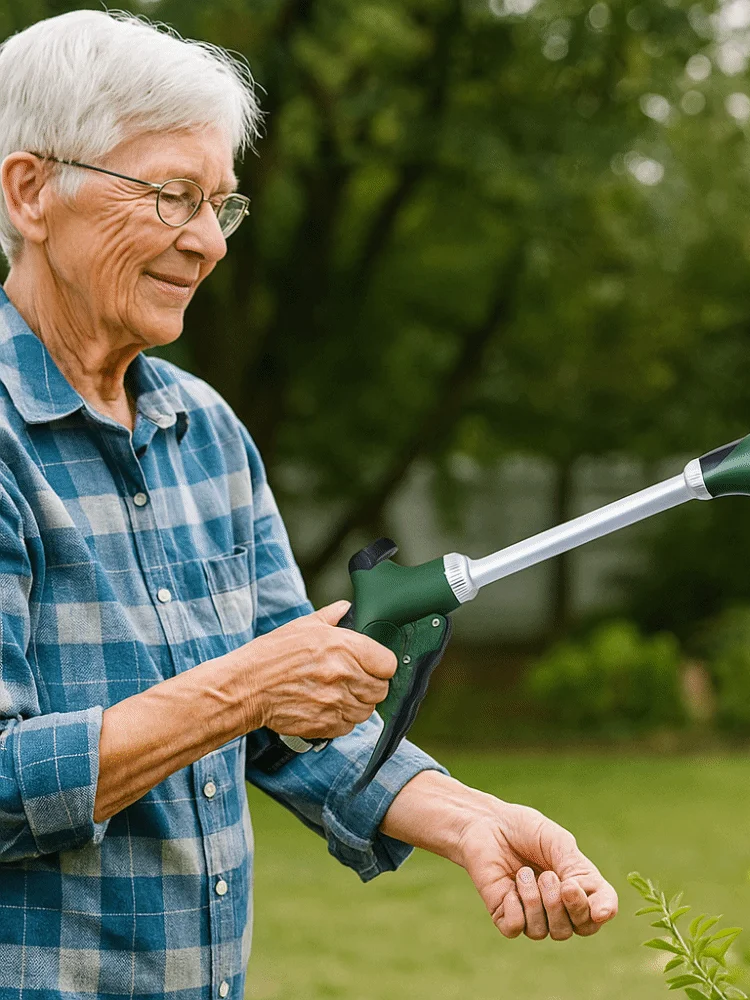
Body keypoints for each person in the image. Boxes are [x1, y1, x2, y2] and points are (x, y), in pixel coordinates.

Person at [0, 11, 618, 999]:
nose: (206, 242)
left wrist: (464, 817)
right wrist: (244, 687)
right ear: (32, 191)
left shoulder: (206, 433)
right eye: (171, 194)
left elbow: (292, 720)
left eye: (220, 206)